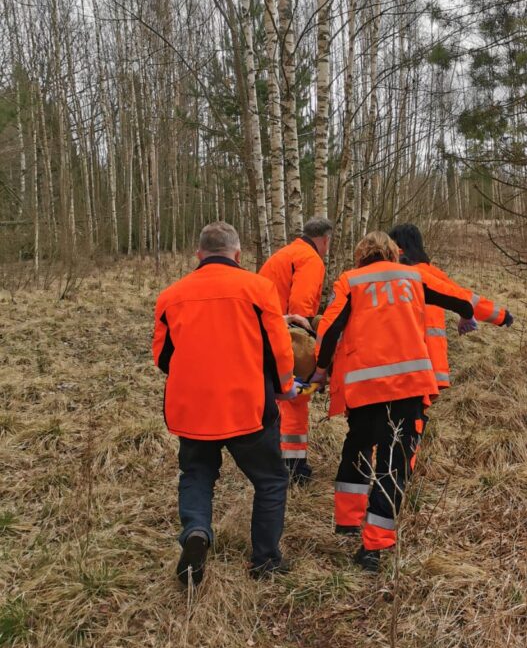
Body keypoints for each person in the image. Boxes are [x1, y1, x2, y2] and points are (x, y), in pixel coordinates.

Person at [312, 231, 491, 573]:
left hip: (365, 389)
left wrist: (320, 371)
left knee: (357, 448)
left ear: (361, 255)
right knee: (393, 464)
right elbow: (458, 299)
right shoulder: (414, 277)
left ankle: (347, 523)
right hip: (408, 389)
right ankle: (373, 548)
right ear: (394, 253)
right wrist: (466, 315)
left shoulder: (351, 281)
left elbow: (330, 329)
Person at [153, 221, 300, 587]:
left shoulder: (171, 296)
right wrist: (284, 387)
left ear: (199, 254)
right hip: (248, 407)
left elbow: (163, 358)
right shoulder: (259, 289)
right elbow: (280, 349)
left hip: (192, 409)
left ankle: (196, 531)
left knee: (197, 473)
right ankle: (266, 560)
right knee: (270, 480)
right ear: (238, 254)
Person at [389, 222, 513, 393]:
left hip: (405, 365)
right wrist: (501, 316)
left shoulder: (392, 278)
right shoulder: (433, 274)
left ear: (398, 247)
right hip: (432, 364)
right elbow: (465, 298)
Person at [259, 217, 333, 485]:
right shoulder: (310, 259)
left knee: (277, 398)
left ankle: (274, 457)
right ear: (324, 240)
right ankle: (292, 467)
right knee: (296, 397)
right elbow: (301, 309)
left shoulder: (287, 253)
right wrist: (311, 347)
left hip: (265, 331)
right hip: (284, 335)